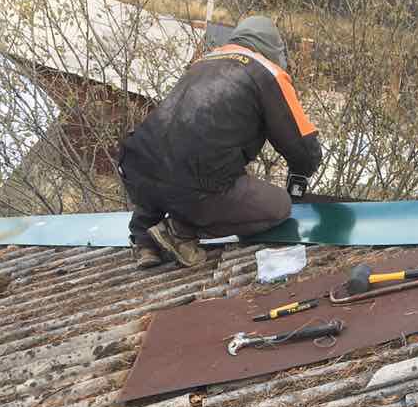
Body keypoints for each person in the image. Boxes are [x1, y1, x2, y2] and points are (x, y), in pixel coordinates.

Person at [117, 16, 321, 268]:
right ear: (274, 49)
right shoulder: (267, 71)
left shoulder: (202, 64)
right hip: (195, 180)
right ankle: (178, 230)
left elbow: (173, 138)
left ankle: (144, 240)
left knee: (166, 164)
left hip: (136, 167)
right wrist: (301, 174)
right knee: (279, 206)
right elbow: (302, 147)